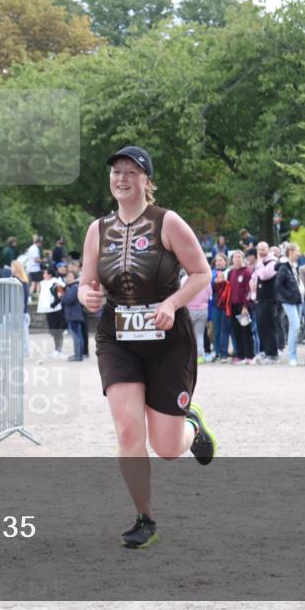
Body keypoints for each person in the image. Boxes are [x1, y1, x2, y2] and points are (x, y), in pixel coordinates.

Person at [77, 145, 216, 549]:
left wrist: (172, 303)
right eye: (116, 172)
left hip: (167, 338)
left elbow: (201, 272)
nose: (121, 179)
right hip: (117, 337)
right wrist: (87, 295)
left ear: (146, 181)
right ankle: (144, 517)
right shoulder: (96, 230)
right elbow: (89, 282)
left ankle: (192, 424)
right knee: (127, 428)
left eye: (131, 173)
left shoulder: (167, 222)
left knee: (168, 448)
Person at [275, 243, 303, 365]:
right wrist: (289, 296)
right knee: (295, 325)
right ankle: (292, 355)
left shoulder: (296, 266)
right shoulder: (283, 267)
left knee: (296, 327)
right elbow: (278, 286)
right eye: (297, 251)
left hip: (298, 300)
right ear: (290, 252)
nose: (299, 253)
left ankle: (294, 355)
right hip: (289, 300)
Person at [252, 242, 279, 363]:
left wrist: (258, 262)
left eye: (263, 249)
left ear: (268, 250)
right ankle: (264, 351)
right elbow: (254, 279)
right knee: (261, 326)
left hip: (269, 300)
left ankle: (272, 354)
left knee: (269, 327)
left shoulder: (272, 263)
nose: (261, 251)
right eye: (259, 249)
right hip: (260, 300)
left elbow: (263, 275)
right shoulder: (260, 263)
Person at [37, 266, 66, 358]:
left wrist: (53, 304)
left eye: (45, 273)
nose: (43, 275)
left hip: (56, 311)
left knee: (58, 330)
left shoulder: (56, 283)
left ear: (50, 275)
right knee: (53, 331)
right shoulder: (44, 283)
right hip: (49, 311)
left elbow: (61, 295)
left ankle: (59, 350)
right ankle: (56, 350)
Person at [183, 271, 211, 363]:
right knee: (199, 334)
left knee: (188, 335)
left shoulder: (185, 279)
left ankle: (189, 356)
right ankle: (200, 356)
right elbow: (209, 295)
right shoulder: (205, 280)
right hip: (203, 310)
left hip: (189, 310)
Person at [208, 253, 231, 362]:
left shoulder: (230, 272)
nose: (218, 262)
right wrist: (215, 281)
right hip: (216, 305)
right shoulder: (212, 273)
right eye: (217, 261)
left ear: (225, 262)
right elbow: (209, 285)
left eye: (220, 260)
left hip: (227, 305)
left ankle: (225, 353)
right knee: (217, 331)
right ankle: (217, 352)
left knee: (226, 331)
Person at [61, 269, 86, 361]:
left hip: (74, 315)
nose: (67, 278)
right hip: (72, 315)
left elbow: (68, 300)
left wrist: (61, 296)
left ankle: (78, 356)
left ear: (74, 277)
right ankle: (77, 354)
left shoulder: (74, 287)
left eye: (70, 276)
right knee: (76, 335)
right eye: (67, 276)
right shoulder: (71, 287)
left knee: (77, 336)